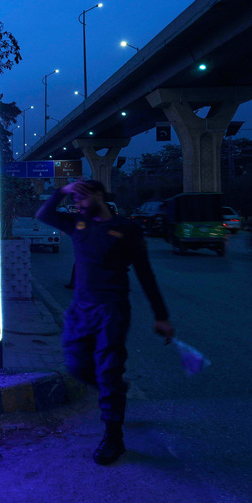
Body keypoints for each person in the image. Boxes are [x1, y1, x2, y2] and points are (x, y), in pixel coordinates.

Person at [37, 179, 175, 465]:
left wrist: (161, 316)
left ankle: (113, 437)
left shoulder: (127, 229)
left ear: (98, 195)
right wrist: (63, 191)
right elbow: (44, 214)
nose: (77, 204)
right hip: (80, 309)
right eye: (74, 200)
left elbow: (145, 274)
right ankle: (116, 389)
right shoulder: (77, 224)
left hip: (111, 310)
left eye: (81, 198)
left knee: (108, 370)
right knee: (77, 367)